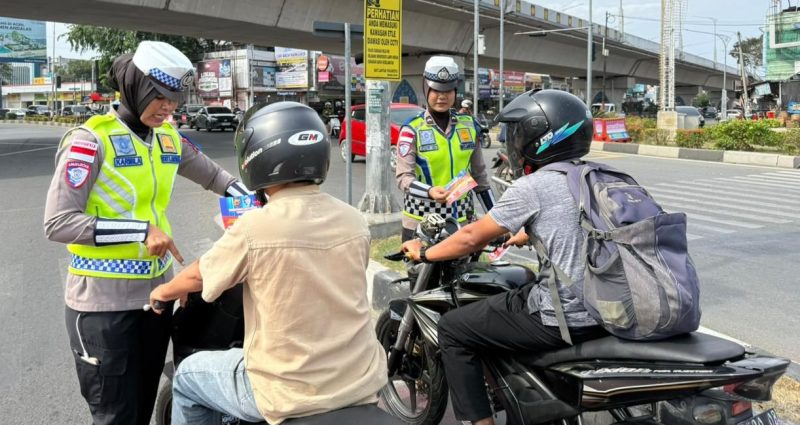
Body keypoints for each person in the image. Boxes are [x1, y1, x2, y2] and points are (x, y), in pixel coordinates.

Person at [43, 40, 250, 425]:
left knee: (142, 407)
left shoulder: (168, 138)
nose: (169, 108)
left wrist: (263, 199)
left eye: (174, 100)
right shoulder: (90, 142)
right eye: (161, 98)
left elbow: (216, 177)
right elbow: (57, 222)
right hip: (102, 307)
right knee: (116, 415)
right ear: (136, 87)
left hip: (155, 301)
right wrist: (138, 230)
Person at [148, 102, 388, 425]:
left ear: (257, 159)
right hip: (359, 377)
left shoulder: (255, 227)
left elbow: (198, 276)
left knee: (187, 378)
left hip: (285, 391)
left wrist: (163, 290)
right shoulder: (355, 221)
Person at [402, 90, 608, 425]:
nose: (512, 143)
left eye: (518, 134)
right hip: (612, 307)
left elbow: (470, 238)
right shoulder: (598, 175)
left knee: (454, 328)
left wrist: (424, 251)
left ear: (542, 137)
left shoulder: (534, 185)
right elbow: (586, 224)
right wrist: (531, 233)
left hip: (568, 316)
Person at [395, 56, 495, 242]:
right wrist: (430, 191)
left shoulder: (469, 126)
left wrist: (496, 219)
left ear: (455, 91)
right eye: (436, 89)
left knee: (467, 271)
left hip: (462, 224)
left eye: (448, 90)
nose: (442, 96)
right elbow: (403, 178)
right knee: (420, 272)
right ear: (426, 88)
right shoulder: (412, 129)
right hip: (421, 224)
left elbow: (480, 178)